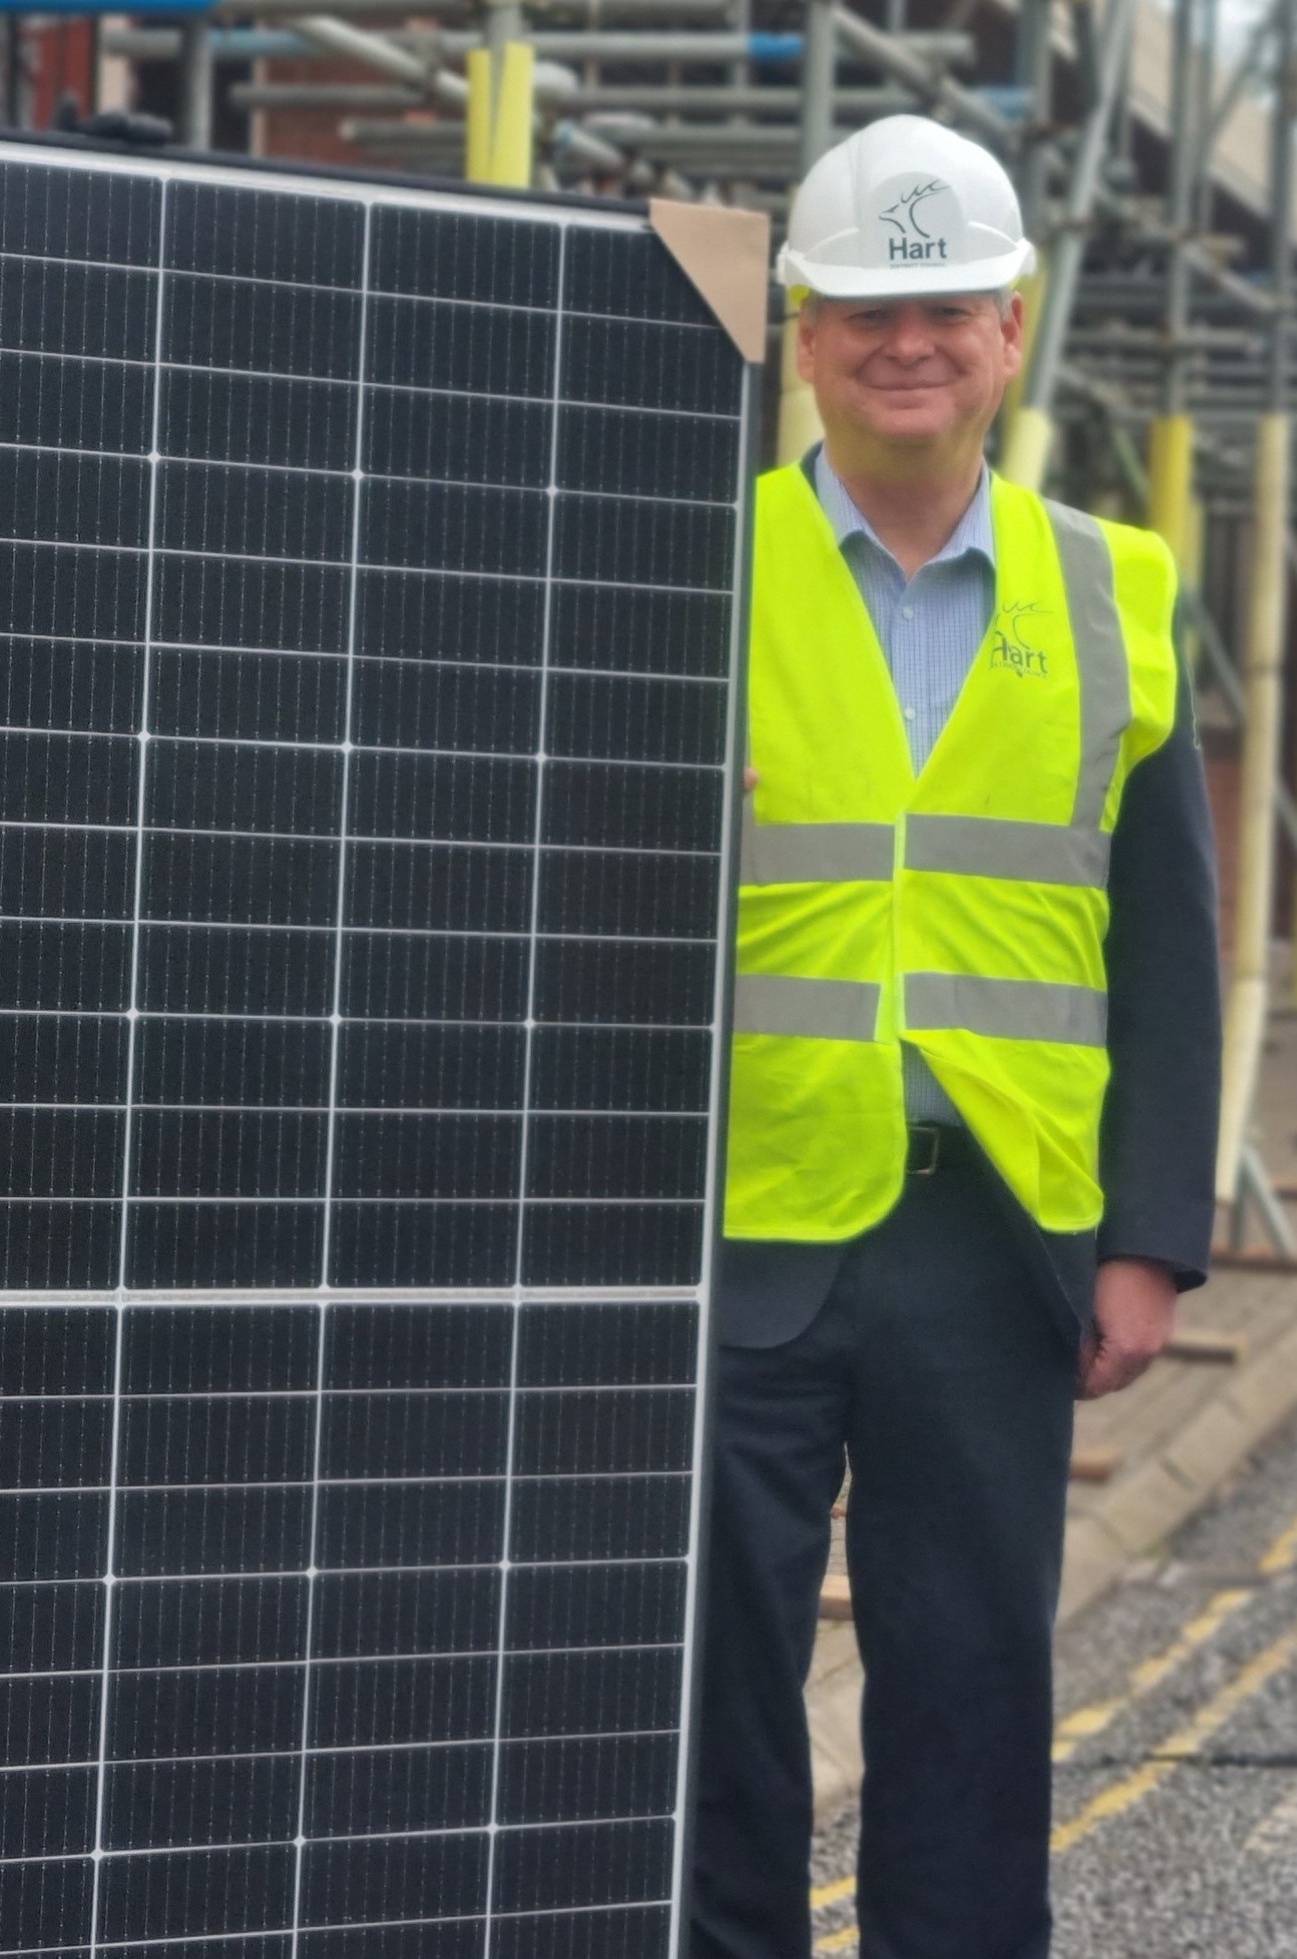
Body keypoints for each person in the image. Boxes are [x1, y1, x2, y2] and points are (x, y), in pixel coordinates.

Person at [691, 116, 1219, 1957]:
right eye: (859, 312)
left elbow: (1169, 944)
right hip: (731, 1227)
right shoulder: (697, 559)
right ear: (805, 337)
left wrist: (1154, 1241)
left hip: (998, 1239)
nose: (902, 344)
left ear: (1011, 324)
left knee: (976, 1691)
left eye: (943, 309)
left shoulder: (1118, 588)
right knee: (709, 1696)